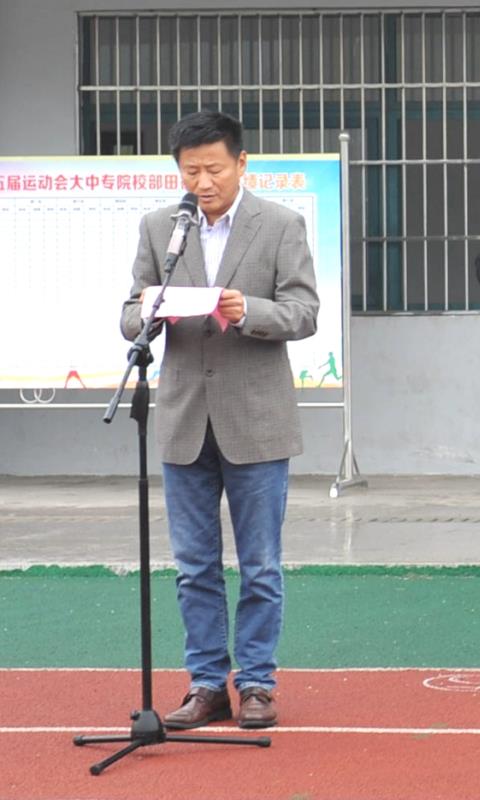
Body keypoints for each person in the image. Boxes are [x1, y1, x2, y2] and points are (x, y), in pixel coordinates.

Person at [120, 110, 319, 730]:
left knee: (260, 565)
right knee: (194, 567)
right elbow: (129, 314)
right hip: (184, 419)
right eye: (190, 171)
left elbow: (304, 312)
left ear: (241, 163)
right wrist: (149, 313)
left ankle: (257, 683)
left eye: (213, 169)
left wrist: (247, 309)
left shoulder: (280, 224)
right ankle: (207, 685)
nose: (202, 182)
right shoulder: (161, 227)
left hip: (256, 420)